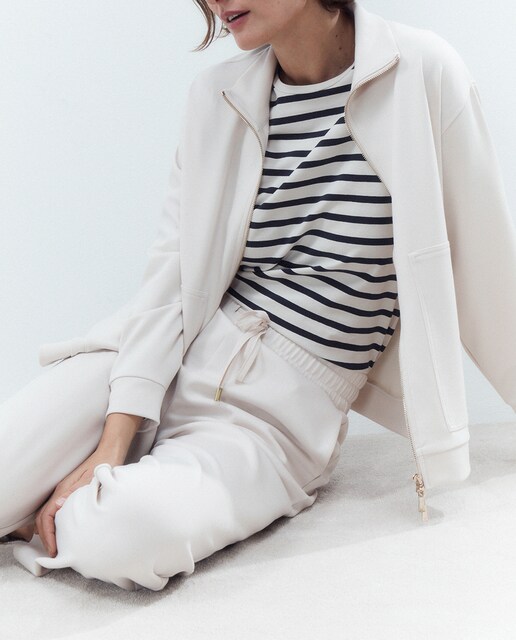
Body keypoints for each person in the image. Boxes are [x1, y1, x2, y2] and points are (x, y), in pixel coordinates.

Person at [1, 0, 515, 592]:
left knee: (122, 533)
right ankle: (81, 481)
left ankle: (59, 508)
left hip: (275, 423)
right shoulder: (215, 96)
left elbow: (490, 276)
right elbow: (170, 277)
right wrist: (113, 443)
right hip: (158, 356)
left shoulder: (422, 71)